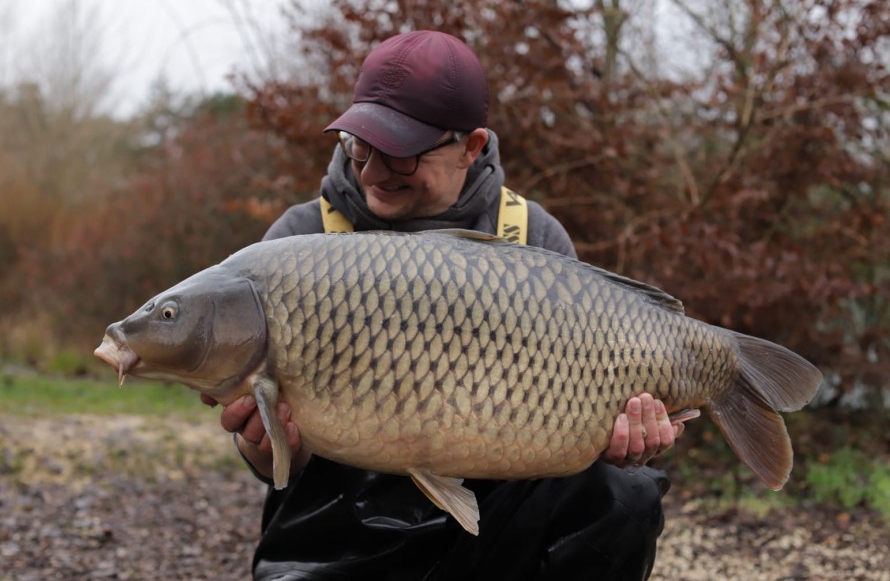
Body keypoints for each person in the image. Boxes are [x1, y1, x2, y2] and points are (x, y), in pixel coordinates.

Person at [205, 30, 687, 581]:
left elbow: (587, 437)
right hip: (342, 525)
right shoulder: (299, 241)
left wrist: (627, 438)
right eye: (360, 146)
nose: (372, 172)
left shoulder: (531, 236)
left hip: (498, 514)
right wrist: (265, 447)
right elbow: (272, 469)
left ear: (471, 146)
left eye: (402, 154)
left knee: (623, 496)